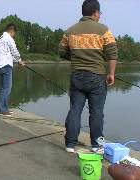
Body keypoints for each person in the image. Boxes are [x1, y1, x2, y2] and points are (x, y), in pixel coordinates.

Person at [59, 0, 118, 154]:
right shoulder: (104, 30)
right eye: (100, 13)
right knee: (97, 113)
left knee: (75, 110)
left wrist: (77, 58)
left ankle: (70, 144)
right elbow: (112, 53)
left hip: (77, 76)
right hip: (97, 77)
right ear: (96, 13)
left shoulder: (70, 31)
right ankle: (97, 145)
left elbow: (62, 52)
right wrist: (111, 74)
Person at [0, 23, 25, 116]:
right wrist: (20, 61)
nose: (14, 35)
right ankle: (3, 110)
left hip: (0, 66)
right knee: (7, 88)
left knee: (3, 88)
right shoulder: (8, 39)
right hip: (6, 66)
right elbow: (14, 51)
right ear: (12, 31)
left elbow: (1, 54)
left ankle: (2, 108)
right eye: (14, 33)